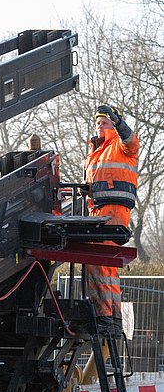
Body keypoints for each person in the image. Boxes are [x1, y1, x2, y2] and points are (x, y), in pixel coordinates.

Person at [84, 104, 139, 336]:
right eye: (98, 122)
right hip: (97, 212)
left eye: (104, 122)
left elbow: (131, 141)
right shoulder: (94, 152)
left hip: (113, 212)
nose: (100, 125)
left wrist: (117, 122)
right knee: (103, 266)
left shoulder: (120, 145)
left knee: (101, 263)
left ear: (115, 124)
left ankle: (106, 318)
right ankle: (111, 317)